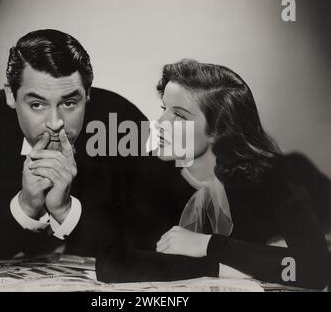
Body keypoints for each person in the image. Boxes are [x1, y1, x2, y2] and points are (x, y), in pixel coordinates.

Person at [96, 60, 331, 290]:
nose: (160, 124)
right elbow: (111, 262)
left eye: (179, 116)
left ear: (219, 130)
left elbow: (316, 268)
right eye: (163, 109)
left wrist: (208, 244)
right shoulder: (146, 171)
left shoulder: (272, 176)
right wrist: (221, 267)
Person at [0, 29, 146, 259]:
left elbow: (145, 240)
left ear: (87, 94)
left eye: (70, 103)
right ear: (11, 97)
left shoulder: (121, 123)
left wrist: (64, 210)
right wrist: (26, 205)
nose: (55, 123)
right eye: (37, 105)